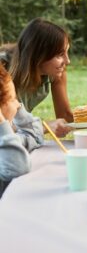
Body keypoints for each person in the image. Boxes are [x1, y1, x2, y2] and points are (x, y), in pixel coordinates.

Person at [0, 18, 73, 137]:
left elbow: (64, 116)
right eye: (60, 55)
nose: (67, 61)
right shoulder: (2, 71)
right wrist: (44, 126)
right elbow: (3, 126)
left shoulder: (56, 71)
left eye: (67, 52)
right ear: (38, 56)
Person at [0, 63, 43, 197]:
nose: (17, 105)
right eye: (13, 99)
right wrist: (2, 122)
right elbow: (19, 168)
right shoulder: (4, 140)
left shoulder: (6, 137)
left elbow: (35, 137)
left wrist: (17, 110)